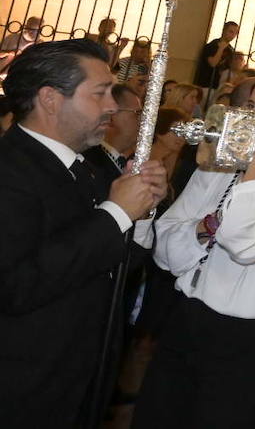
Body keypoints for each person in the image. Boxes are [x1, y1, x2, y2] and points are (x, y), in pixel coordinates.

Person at [134, 71, 255, 428]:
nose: (254, 115)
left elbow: (244, 243)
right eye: (250, 105)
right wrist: (206, 227)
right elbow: (166, 249)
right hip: (187, 318)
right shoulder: (216, 168)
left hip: (250, 338)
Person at [0, 39, 166, 429]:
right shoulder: (9, 170)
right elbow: (15, 285)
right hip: (22, 388)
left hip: (77, 382)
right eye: (100, 93)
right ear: (50, 98)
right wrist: (116, 213)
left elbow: (107, 269)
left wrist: (140, 213)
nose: (112, 106)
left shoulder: (88, 169)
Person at [82, 82, 143, 196]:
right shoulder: (89, 161)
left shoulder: (122, 160)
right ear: (111, 116)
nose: (143, 122)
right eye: (137, 114)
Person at [193, 21, 239, 89]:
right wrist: (220, 49)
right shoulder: (212, 45)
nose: (233, 35)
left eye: (235, 33)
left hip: (220, 86)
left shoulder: (231, 49)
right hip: (206, 85)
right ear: (224, 31)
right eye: (231, 31)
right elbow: (213, 63)